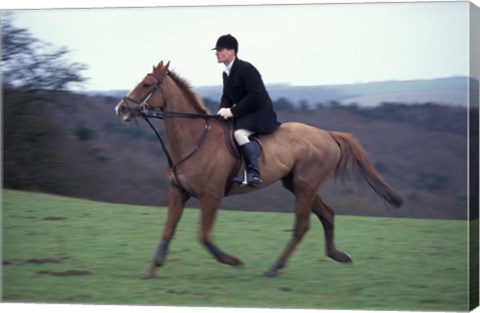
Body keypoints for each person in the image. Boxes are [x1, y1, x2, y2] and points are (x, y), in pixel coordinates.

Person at [213, 34, 281, 188]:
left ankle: (254, 175)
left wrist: (233, 111)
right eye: (216, 50)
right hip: (246, 111)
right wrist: (220, 112)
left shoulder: (247, 69)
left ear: (232, 52)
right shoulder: (226, 73)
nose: (216, 53)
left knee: (239, 134)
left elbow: (256, 96)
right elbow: (227, 96)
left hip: (260, 112)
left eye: (220, 50)